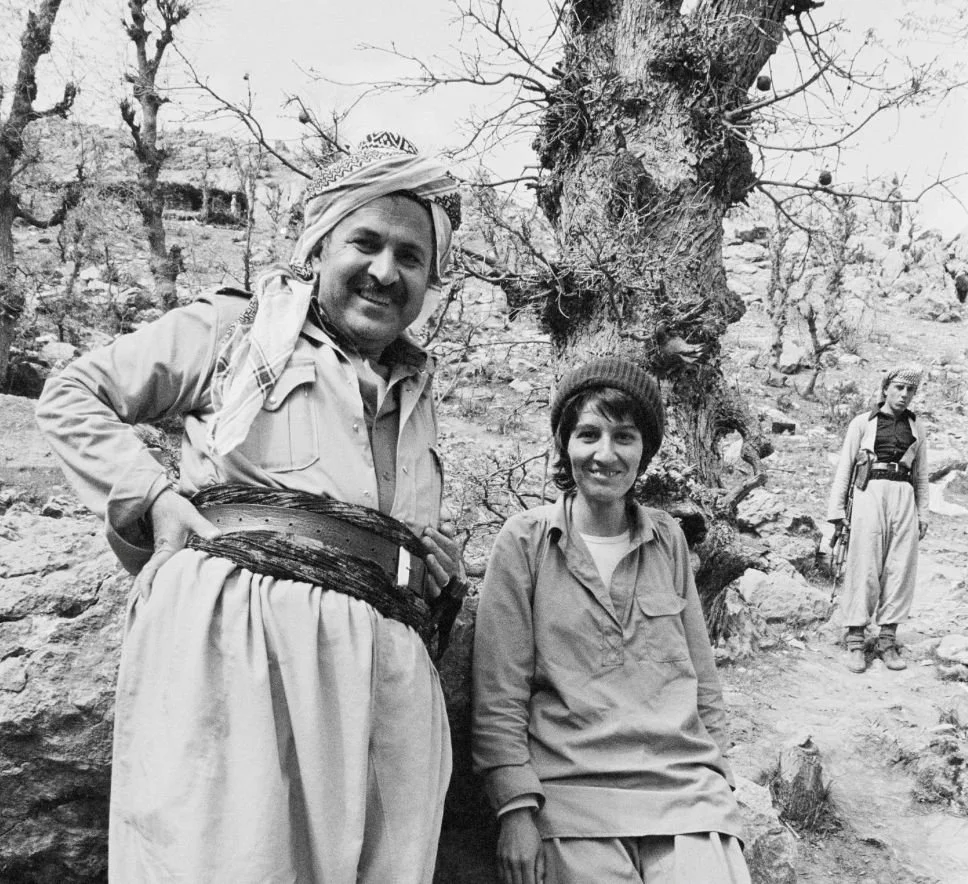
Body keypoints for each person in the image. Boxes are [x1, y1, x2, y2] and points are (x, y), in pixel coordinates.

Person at [35, 132, 466, 884]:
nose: (384, 271)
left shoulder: (420, 392)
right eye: (365, 242)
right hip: (239, 659)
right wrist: (153, 497)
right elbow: (73, 395)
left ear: (430, 278)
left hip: (387, 690)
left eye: (410, 256)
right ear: (320, 246)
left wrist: (431, 571)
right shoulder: (239, 331)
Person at [472, 357, 749, 884]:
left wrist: (722, 780)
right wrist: (514, 809)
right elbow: (499, 694)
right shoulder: (524, 542)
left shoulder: (667, 539)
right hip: (571, 797)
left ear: (644, 451)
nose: (605, 454)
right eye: (588, 434)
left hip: (685, 792)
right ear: (565, 444)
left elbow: (701, 676)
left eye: (624, 437)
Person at [827, 364, 929, 674]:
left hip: (903, 496)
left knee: (900, 567)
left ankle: (887, 640)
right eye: (899, 388)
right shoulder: (862, 423)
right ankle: (856, 640)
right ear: (886, 389)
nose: (904, 394)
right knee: (865, 564)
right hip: (869, 493)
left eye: (910, 390)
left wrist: (923, 512)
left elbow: (921, 475)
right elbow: (845, 468)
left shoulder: (917, 427)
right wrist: (837, 513)